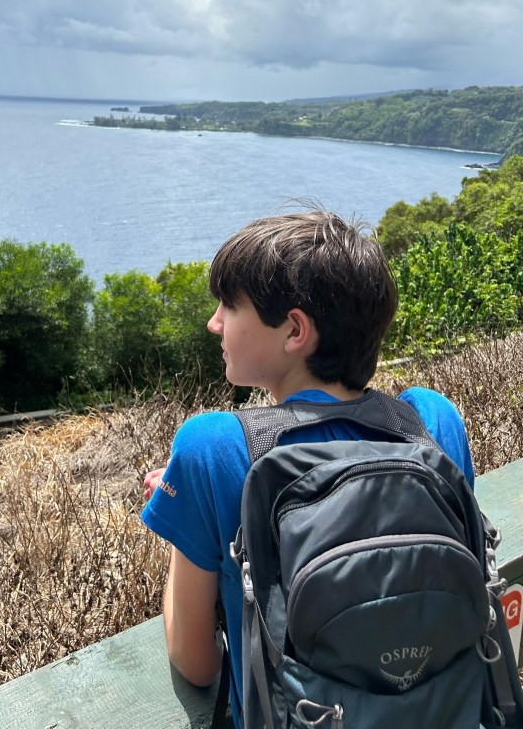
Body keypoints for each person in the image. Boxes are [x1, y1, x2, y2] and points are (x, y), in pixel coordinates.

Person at [141, 211, 474, 726]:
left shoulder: (212, 446)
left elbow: (196, 663)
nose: (215, 322)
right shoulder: (431, 421)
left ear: (295, 330)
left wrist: (186, 509)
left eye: (230, 305)